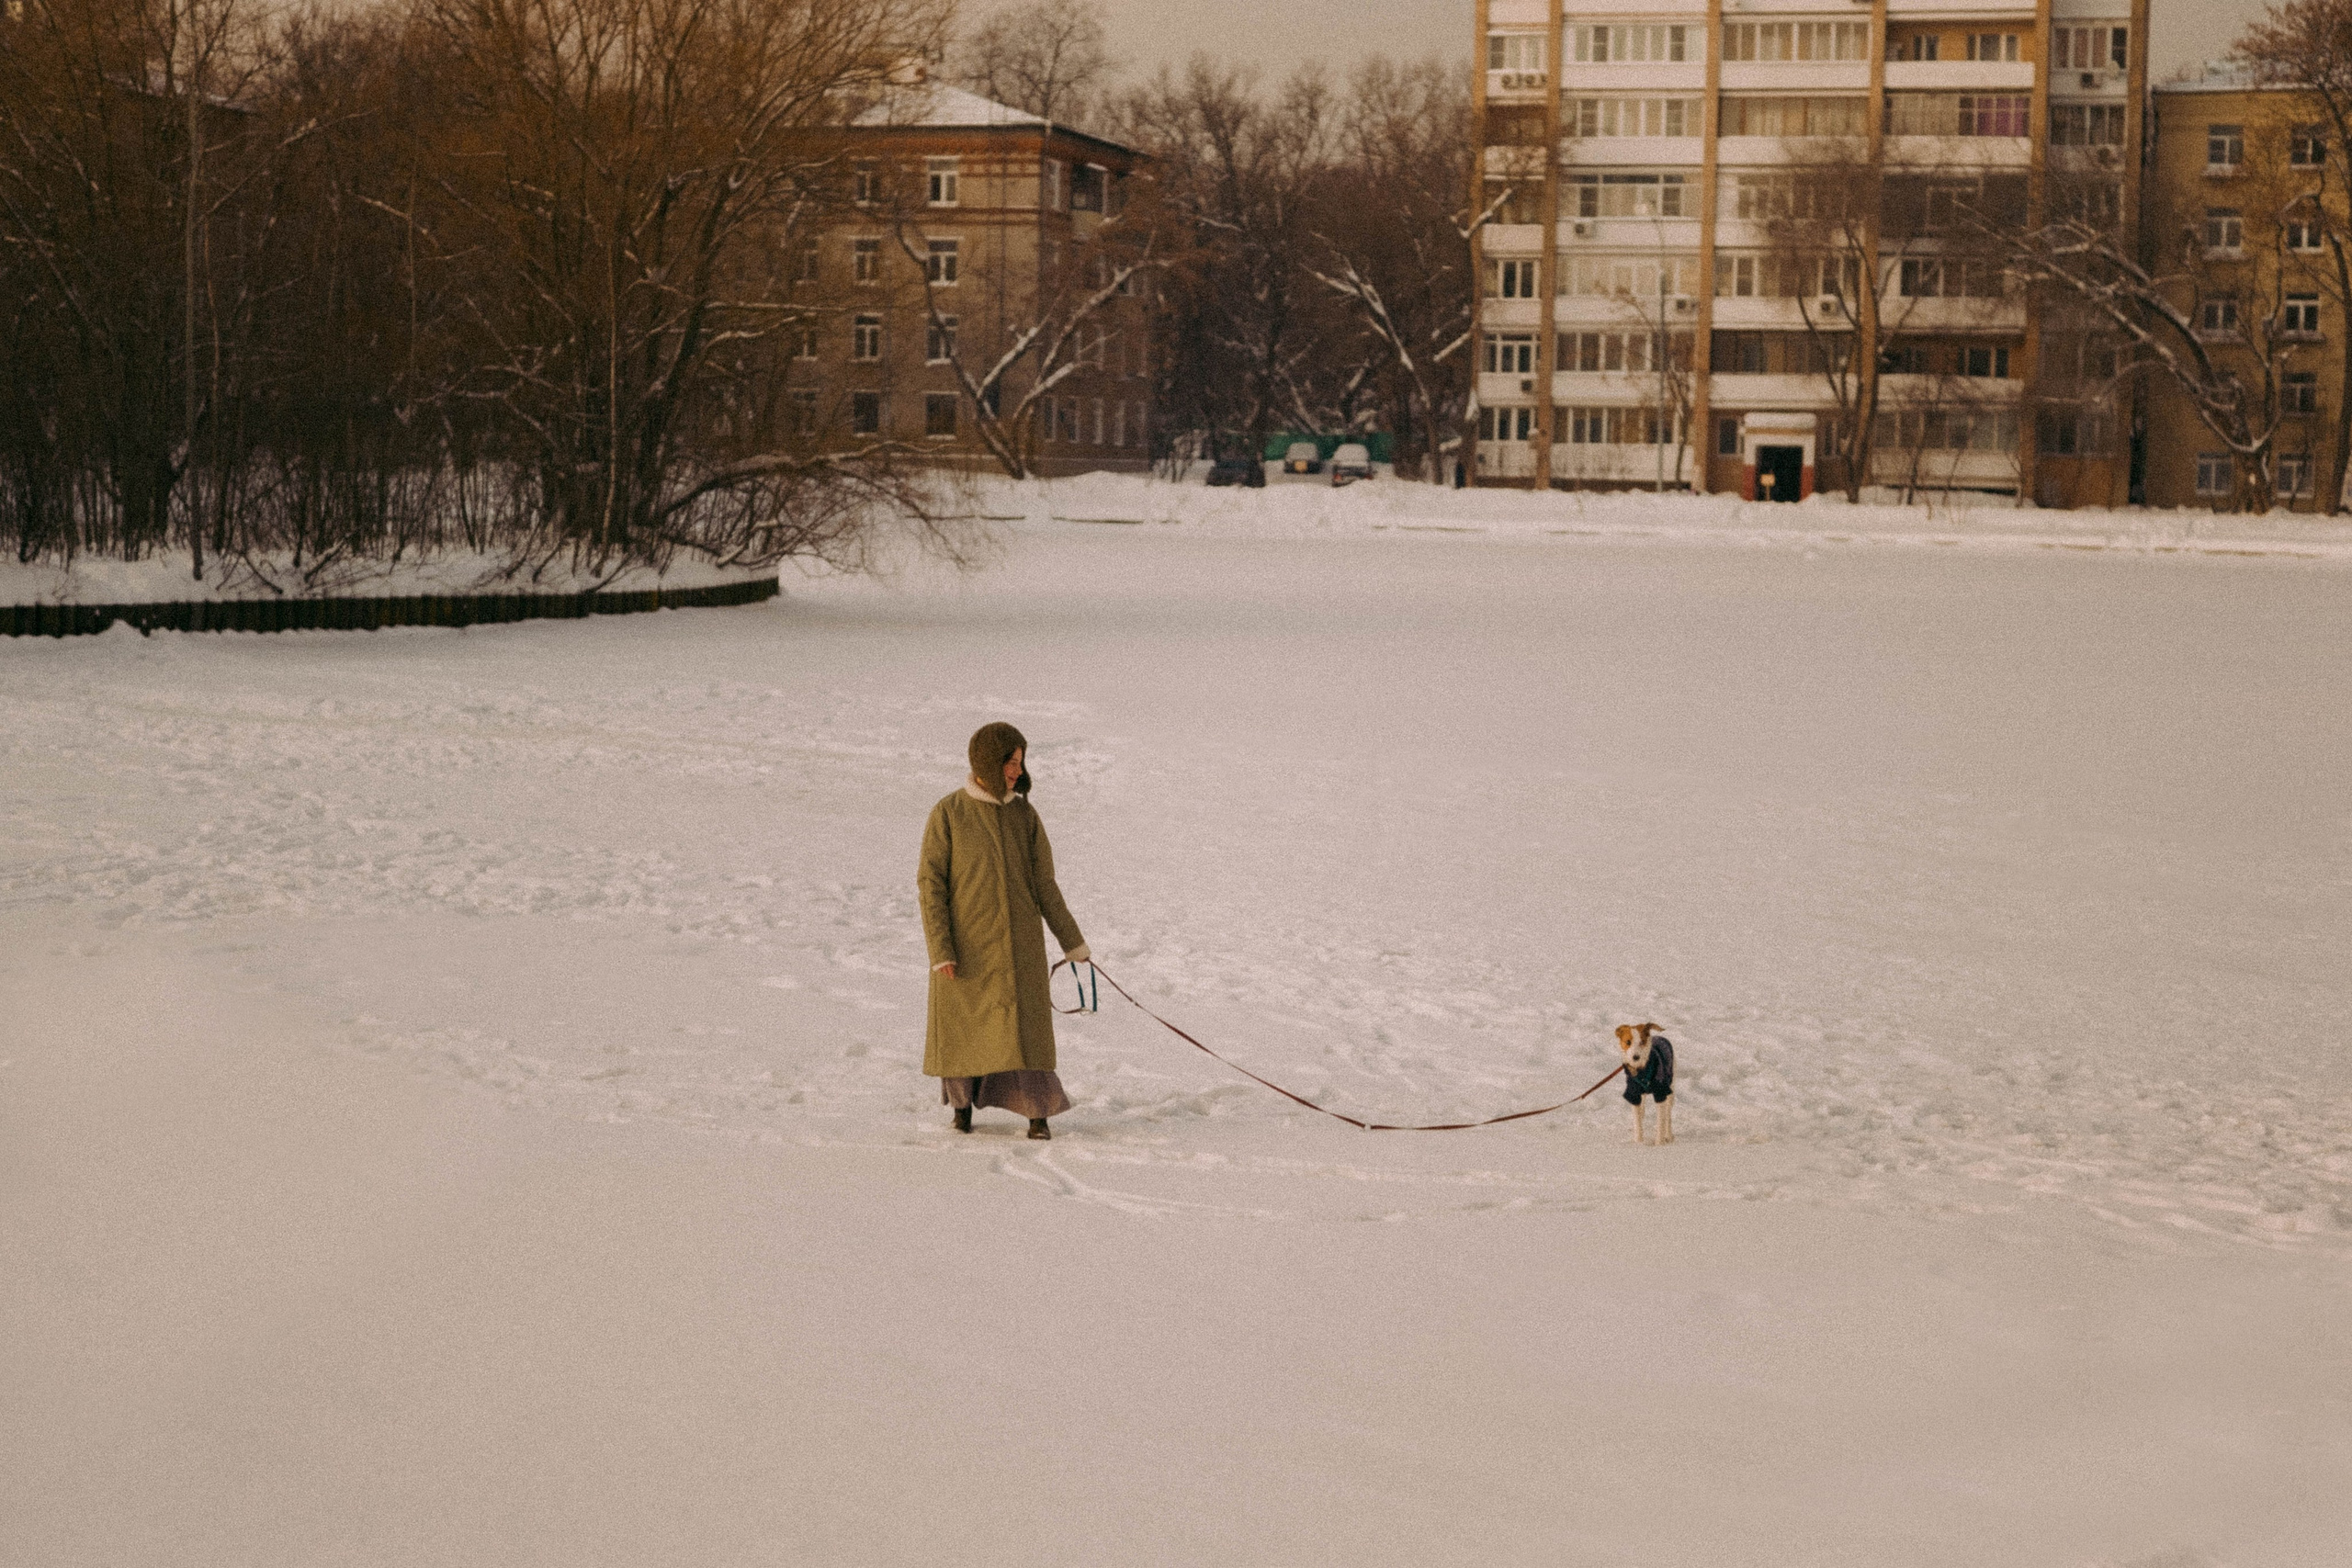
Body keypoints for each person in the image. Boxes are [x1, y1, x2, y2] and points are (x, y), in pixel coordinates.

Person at [918, 722, 1091, 1140]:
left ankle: (1037, 1114)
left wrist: (1072, 941)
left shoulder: (1024, 815)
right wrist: (941, 949)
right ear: (986, 762)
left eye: (1020, 762)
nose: (1016, 770)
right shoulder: (949, 812)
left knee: (1025, 1032)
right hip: (966, 951)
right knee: (967, 1032)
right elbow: (930, 884)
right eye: (1010, 762)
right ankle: (962, 1109)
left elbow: (1045, 884)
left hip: (1020, 947)